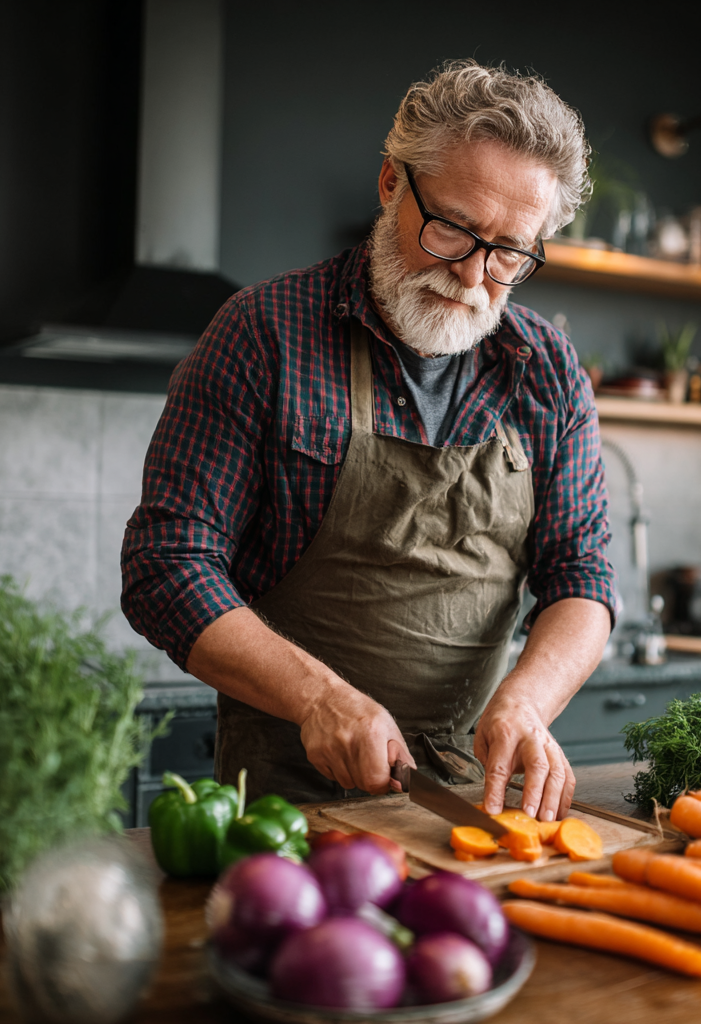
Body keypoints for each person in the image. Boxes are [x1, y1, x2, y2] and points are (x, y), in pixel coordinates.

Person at [121, 60, 616, 823]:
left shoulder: (546, 370)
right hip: (282, 809)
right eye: (452, 227)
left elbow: (582, 572)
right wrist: (319, 698)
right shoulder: (264, 333)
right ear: (392, 183)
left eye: (511, 253)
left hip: (471, 802)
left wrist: (527, 700)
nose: (473, 276)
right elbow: (167, 563)